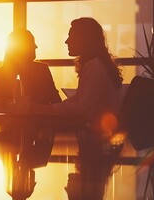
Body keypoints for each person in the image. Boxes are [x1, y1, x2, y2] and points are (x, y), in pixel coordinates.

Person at [31, 17, 123, 199]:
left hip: (95, 144)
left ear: (84, 39)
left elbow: (83, 110)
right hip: (99, 144)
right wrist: (46, 108)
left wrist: (43, 109)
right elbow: (76, 103)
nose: (66, 41)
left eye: (71, 36)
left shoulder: (94, 67)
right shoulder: (96, 65)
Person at [0, 28, 62, 198]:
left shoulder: (1, 73)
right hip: (38, 137)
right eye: (32, 43)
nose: (36, 47)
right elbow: (56, 102)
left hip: (14, 138)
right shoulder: (40, 70)